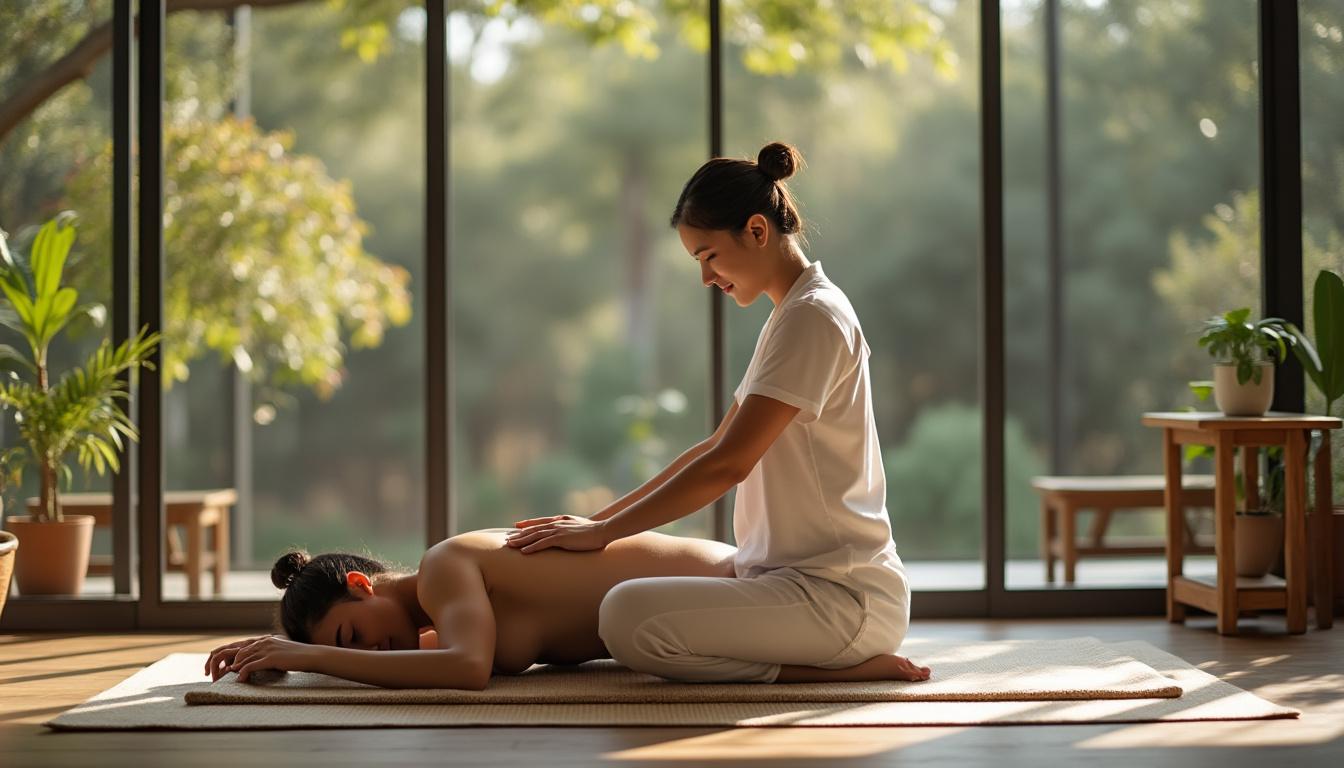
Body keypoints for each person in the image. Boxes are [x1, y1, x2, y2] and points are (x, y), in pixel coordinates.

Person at [505, 142, 930, 685]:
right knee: (624, 605)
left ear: (757, 231)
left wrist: (605, 531)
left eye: (708, 256)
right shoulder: (791, 314)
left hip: (841, 596)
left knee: (626, 615)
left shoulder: (813, 317)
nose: (707, 278)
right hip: (786, 582)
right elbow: (712, 447)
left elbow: (729, 465)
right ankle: (826, 660)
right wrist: (597, 524)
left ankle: (844, 670)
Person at [204, 529, 737, 688]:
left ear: (363, 585)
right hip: (687, 619)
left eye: (351, 636)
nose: (368, 652)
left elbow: (467, 668)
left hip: (724, 587)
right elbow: (430, 658)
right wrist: (280, 655)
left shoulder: (443, 567)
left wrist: (319, 660)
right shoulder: (438, 618)